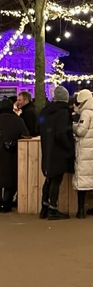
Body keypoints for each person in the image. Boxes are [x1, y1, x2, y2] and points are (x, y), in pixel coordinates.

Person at [0, 99, 31, 212]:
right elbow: (26, 135)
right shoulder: (18, 120)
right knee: (9, 179)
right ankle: (7, 203)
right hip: (12, 153)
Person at [39, 86, 75, 220]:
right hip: (59, 151)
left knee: (49, 179)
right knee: (56, 179)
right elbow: (61, 132)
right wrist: (69, 147)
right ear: (65, 99)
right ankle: (53, 210)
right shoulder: (63, 112)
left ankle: (44, 207)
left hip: (47, 149)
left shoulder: (45, 111)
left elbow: (40, 128)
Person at [74, 89, 93, 218]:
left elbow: (81, 131)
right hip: (91, 149)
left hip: (85, 149)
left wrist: (73, 126)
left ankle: (80, 211)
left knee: (82, 180)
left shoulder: (86, 113)